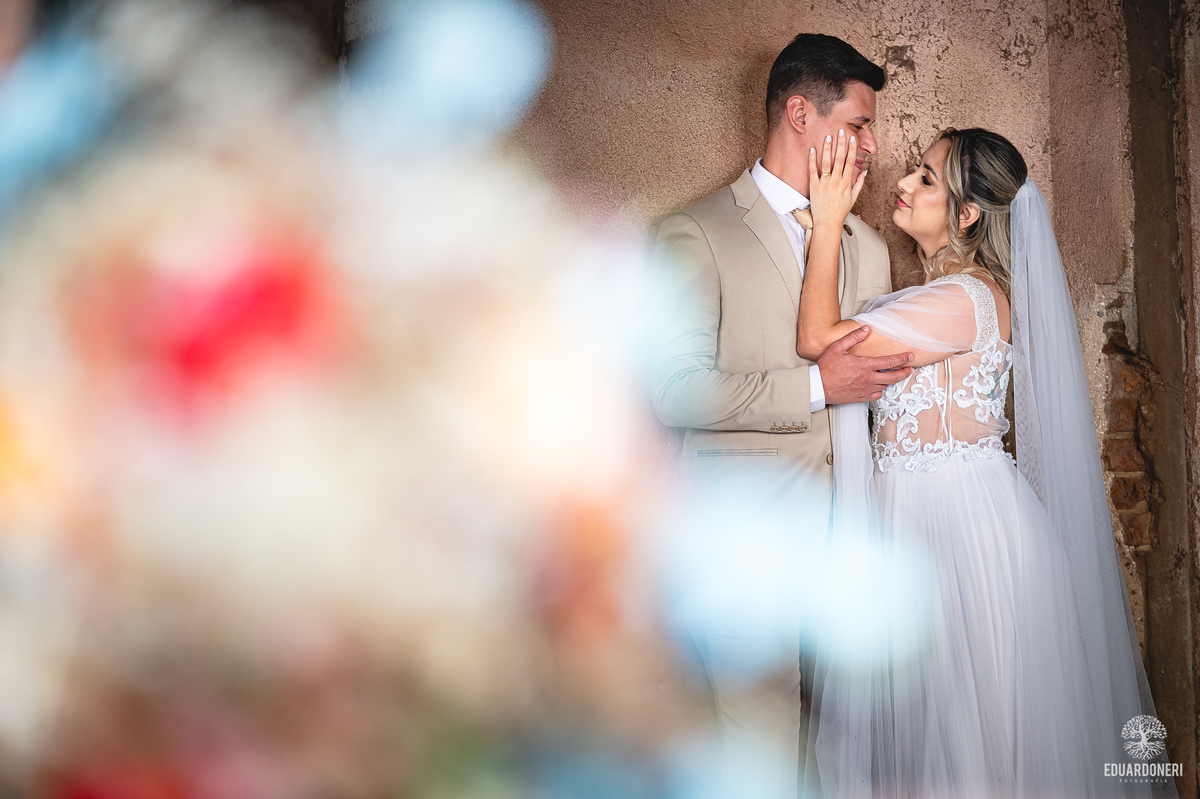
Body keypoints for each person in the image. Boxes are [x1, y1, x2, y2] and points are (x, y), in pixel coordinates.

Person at [797, 126, 1177, 798]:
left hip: (953, 533)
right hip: (935, 519)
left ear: (967, 213)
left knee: (959, 744)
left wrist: (827, 225)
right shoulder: (955, 294)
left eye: (925, 178)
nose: (903, 185)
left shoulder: (961, 299)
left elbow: (820, 341)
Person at [650, 34, 913, 784]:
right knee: (758, 759)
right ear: (800, 112)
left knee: (839, 760)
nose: (872, 145)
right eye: (859, 124)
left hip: (854, 550)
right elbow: (674, 389)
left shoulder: (866, 245)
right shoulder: (696, 230)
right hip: (745, 551)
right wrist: (815, 386)